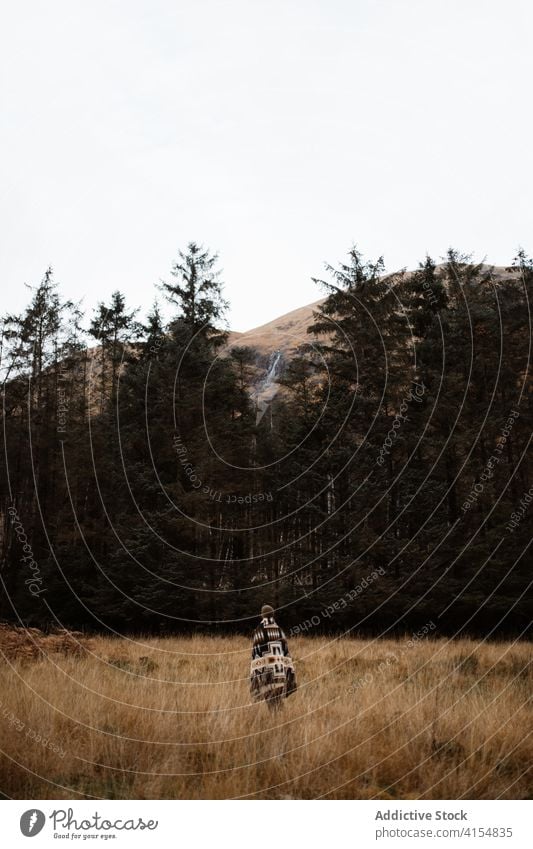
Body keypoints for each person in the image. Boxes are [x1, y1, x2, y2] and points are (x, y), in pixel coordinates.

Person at [250, 604, 297, 709]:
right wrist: (287, 669)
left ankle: (278, 719)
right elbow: (286, 651)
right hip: (279, 670)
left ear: (262, 615)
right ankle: (281, 718)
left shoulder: (259, 630)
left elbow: (256, 653)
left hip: (266, 671)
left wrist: (256, 672)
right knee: (276, 697)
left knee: (270, 698)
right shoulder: (279, 630)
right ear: (273, 615)